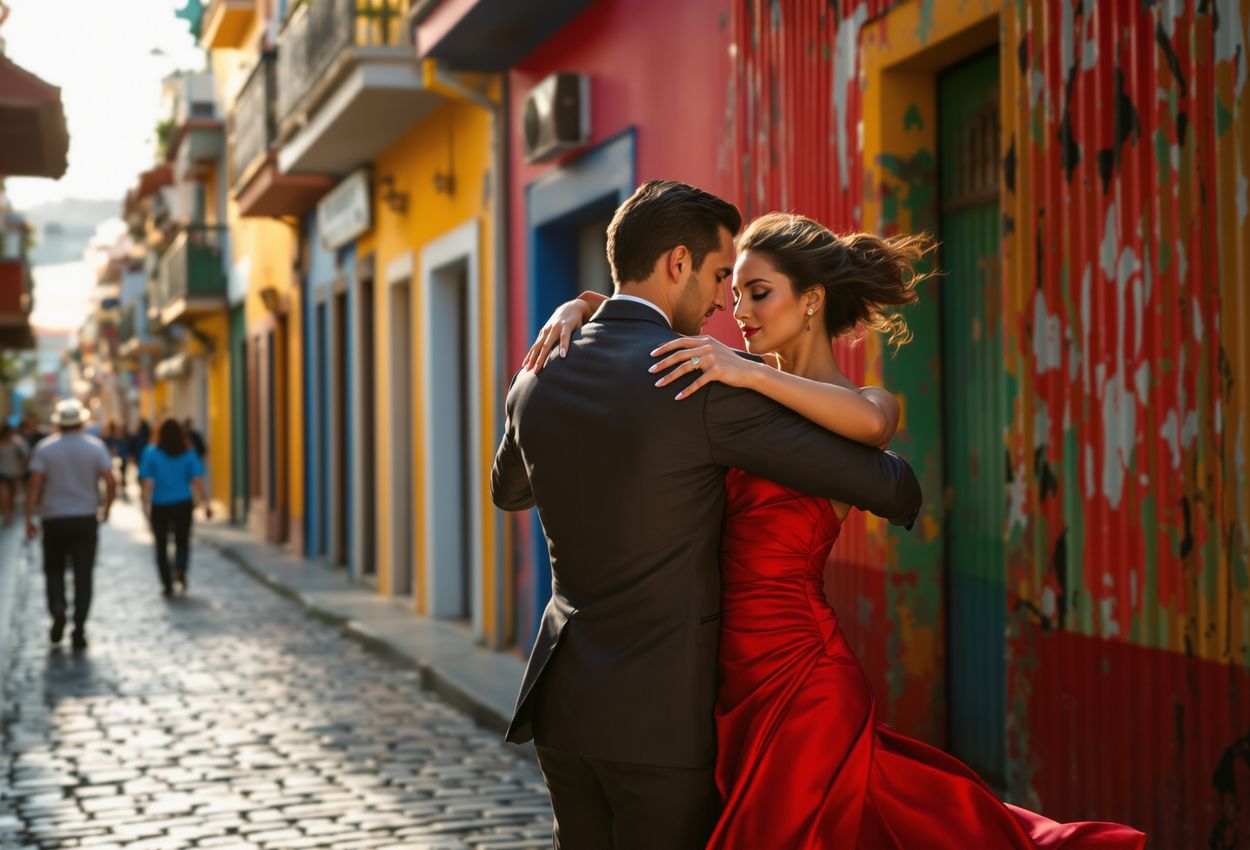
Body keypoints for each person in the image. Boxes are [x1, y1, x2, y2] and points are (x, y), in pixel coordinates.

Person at [527, 210, 1146, 849]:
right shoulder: (725, 386)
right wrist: (581, 310)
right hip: (722, 683)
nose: (737, 310)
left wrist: (752, 370)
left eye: (757, 293)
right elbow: (641, 334)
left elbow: (878, 426)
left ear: (813, 299)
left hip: (800, 675)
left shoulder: (820, 397)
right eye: (734, 292)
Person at [491, 180, 924, 850]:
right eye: (723, 277)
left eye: (751, 288)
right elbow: (895, 488)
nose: (726, 302)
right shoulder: (698, 383)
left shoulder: (539, 373)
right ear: (677, 265)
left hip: (568, 710)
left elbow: (508, 492)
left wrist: (584, 307)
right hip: (665, 719)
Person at [24, 398, 116, 651]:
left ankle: (57, 607)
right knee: (83, 575)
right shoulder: (95, 447)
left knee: (54, 569)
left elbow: (34, 484)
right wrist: (106, 509)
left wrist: (29, 518)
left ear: (58, 424)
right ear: (82, 422)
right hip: (85, 519)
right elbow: (110, 481)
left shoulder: (45, 448)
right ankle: (79, 629)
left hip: (54, 518)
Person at [139, 417, 211, 596]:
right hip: (183, 503)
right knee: (183, 541)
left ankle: (167, 583)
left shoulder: (151, 452)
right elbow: (197, 481)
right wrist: (206, 504)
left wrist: (145, 504)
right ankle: (180, 567)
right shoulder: (189, 454)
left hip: (160, 505)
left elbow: (147, 482)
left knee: (161, 545)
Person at [0, 423, 29, 525]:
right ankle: (6, 514)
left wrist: (21, 466)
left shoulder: (17, 442)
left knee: (12, 495)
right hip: (2, 472)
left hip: (14, 472)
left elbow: (25, 455)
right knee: (4, 494)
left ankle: (9, 512)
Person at [103, 420, 129, 493]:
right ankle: (120, 486)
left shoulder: (117, 436)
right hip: (118, 456)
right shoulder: (111, 437)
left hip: (119, 456)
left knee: (120, 473)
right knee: (120, 473)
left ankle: (121, 486)